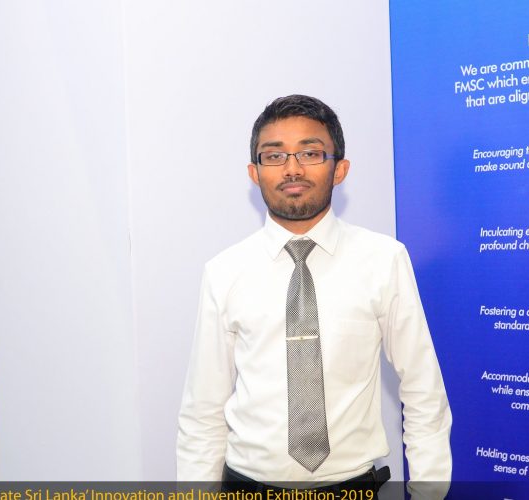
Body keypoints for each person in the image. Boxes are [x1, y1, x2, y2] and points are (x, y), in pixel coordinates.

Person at [177, 95, 452, 498]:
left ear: (340, 169)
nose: (292, 168)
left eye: (310, 153)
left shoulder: (384, 260)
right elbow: (203, 410)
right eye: (274, 156)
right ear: (254, 172)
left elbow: (423, 389)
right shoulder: (224, 271)